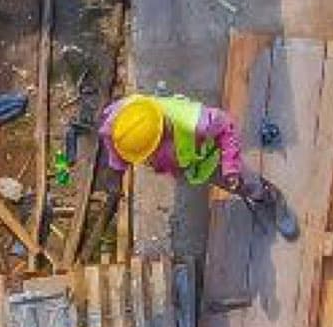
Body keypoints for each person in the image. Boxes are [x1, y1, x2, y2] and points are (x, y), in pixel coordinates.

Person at [100, 91, 298, 240]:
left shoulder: (196, 121)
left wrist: (230, 168)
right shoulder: (117, 127)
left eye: (150, 154)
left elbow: (227, 127)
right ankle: (251, 193)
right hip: (190, 166)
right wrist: (116, 171)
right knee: (227, 184)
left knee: (244, 183)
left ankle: (271, 198)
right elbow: (114, 145)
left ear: (164, 133)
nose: (148, 160)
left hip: (210, 158)